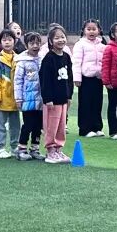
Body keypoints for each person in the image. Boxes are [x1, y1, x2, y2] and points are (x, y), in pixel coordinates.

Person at [39, 24, 74, 164]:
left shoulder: (66, 57)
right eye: (57, 38)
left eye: (62, 37)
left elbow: (69, 78)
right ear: (50, 41)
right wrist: (48, 99)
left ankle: (59, 149)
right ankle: (50, 150)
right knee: (51, 126)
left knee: (61, 126)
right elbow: (45, 80)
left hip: (63, 99)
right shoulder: (48, 58)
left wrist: (69, 95)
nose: (60, 40)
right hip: (52, 100)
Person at [13, 32, 44, 161]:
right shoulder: (22, 61)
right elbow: (18, 81)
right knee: (28, 125)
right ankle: (21, 149)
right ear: (26, 45)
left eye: (37, 43)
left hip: (41, 100)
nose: (35, 46)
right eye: (32, 43)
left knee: (38, 125)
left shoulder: (42, 59)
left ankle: (35, 148)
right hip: (27, 99)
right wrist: (18, 98)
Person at [0, 28, 21, 159]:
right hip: (1, 98)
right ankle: (0, 148)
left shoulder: (18, 58)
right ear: (0, 42)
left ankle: (14, 147)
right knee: (0, 126)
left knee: (15, 126)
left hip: (15, 99)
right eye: (4, 40)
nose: (7, 42)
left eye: (9, 39)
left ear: (15, 41)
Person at [72, 19, 106, 138]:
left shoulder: (102, 45)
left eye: (94, 29)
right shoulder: (80, 44)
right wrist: (77, 78)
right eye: (89, 29)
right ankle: (85, 129)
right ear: (84, 31)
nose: (91, 31)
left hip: (98, 79)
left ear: (99, 30)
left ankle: (97, 127)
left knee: (97, 103)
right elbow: (76, 62)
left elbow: (104, 62)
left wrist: (104, 76)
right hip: (85, 79)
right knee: (85, 103)